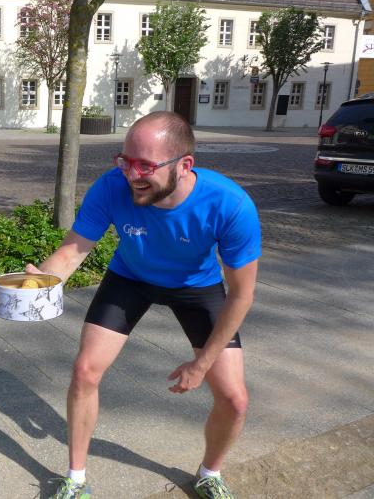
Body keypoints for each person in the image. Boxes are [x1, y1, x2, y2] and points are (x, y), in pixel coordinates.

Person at [30, 111, 260, 499]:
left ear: (184, 165)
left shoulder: (230, 205)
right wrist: (38, 284)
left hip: (196, 286)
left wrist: (201, 365)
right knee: (85, 371)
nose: (131, 174)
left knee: (235, 400)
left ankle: (209, 474)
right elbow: (71, 252)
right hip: (130, 278)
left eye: (145, 165)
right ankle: (76, 479)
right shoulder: (111, 186)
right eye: (125, 161)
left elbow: (241, 295)